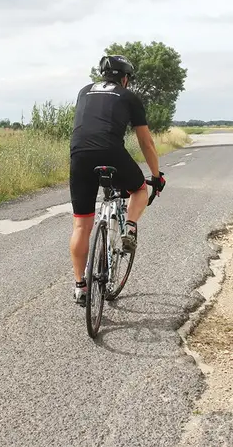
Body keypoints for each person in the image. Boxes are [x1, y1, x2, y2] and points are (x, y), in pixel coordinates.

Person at [68, 54, 166, 306]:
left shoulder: (84, 91)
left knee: (81, 225)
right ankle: (130, 227)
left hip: (79, 154)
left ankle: (80, 285)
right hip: (111, 151)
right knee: (139, 189)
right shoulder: (128, 96)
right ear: (125, 79)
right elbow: (146, 142)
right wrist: (156, 176)